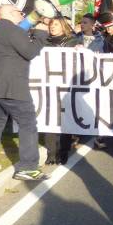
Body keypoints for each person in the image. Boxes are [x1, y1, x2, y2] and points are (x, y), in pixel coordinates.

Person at [0, 5, 50, 181]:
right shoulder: (12, 30)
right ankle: (28, 168)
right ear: (11, 14)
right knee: (27, 124)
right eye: (20, 13)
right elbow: (30, 52)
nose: (23, 16)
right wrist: (41, 34)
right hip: (11, 87)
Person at [43, 17, 81, 165]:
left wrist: (80, 51)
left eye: (56, 24)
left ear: (63, 26)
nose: (52, 27)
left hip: (66, 87)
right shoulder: (44, 43)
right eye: (51, 24)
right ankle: (51, 153)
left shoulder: (73, 42)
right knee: (50, 120)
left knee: (65, 120)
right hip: (48, 87)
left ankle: (63, 151)